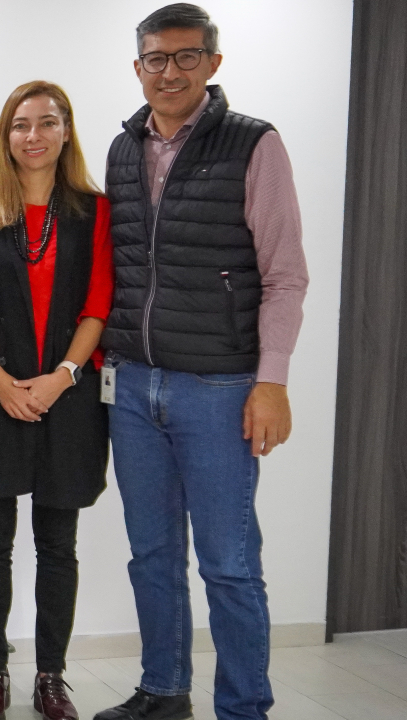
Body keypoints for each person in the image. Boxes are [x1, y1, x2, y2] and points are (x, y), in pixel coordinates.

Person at [93, 5, 308, 720]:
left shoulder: (254, 144)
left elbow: (284, 275)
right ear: (138, 68)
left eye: (187, 57)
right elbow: (119, 269)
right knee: (152, 557)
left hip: (220, 388)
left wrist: (270, 380)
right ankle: (162, 691)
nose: (170, 72)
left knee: (228, 564)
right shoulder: (123, 149)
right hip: (133, 387)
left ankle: (244, 707)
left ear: (213, 64)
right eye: (156, 59)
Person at [0, 81, 113, 720]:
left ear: (66, 131)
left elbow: (99, 302)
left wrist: (63, 376)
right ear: (6, 134)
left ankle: (51, 676)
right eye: (21, 124)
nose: (34, 135)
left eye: (48, 123)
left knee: (58, 545)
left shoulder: (96, 211)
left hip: (69, 400)